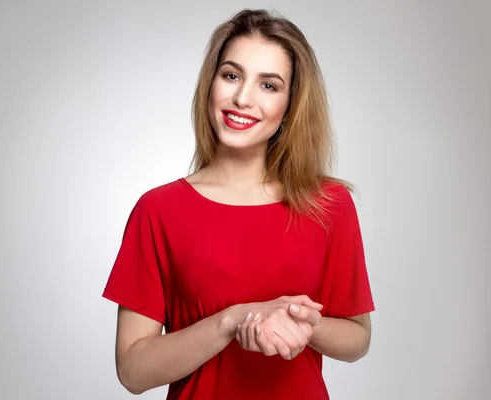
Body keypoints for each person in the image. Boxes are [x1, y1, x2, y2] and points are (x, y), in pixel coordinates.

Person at [102, 8, 375, 399]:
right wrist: (233, 320)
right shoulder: (158, 210)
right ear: (211, 83)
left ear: (290, 105)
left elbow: (358, 338)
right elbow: (132, 370)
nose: (243, 98)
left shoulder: (329, 204)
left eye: (269, 85)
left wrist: (296, 320)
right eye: (231, 75)